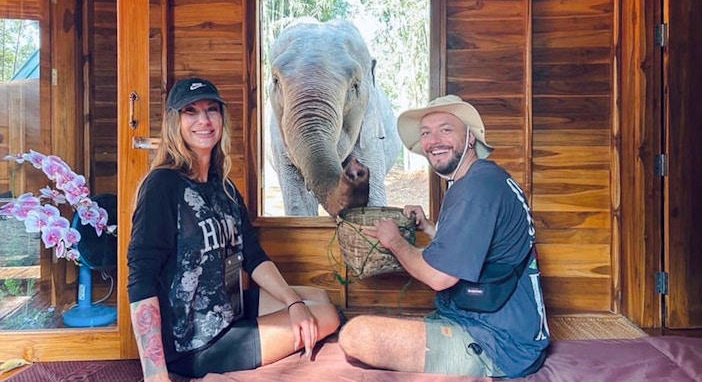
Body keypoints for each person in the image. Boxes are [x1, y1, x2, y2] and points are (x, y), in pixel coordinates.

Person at [127, 77, 340, 382]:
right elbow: (141, 274)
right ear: (175, 122)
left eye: (211, 110)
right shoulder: (162, 185)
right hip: (195, 343)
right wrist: (155, 372)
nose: (203, 120)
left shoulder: (224, 187)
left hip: (229, 308)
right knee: (327, 316)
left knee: (316, 297)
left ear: (222, 119)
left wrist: (293, 303)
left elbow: (252, 255)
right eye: (191, 111)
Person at [337, 95, 550, 378]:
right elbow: (472, 247)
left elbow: (440, 276)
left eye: (446, 129)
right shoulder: (484, 179)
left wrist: (393, 241)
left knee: (356, 334)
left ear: (471, 138)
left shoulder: (474, 190)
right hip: (508, 329)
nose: (433, 140)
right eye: (426, 133)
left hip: (497, 343)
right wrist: (428, 227)